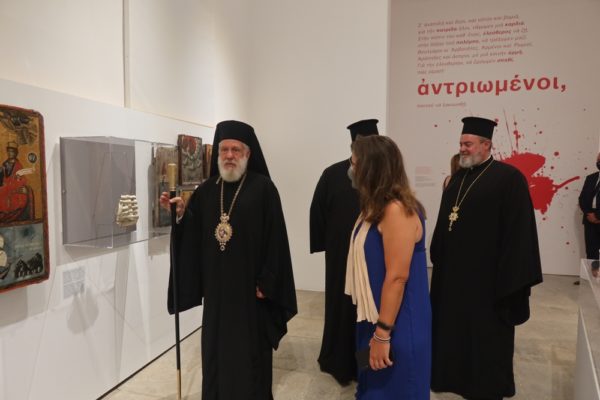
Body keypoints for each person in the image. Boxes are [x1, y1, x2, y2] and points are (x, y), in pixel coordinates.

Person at [161, 120, 297, 400]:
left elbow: (276, 240)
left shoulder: (264, 189)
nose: (229, 155)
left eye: (236, 150)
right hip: (217, 296)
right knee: (215, 354)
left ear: (248, 153)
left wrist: (269, 281)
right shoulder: (206, 190)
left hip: (250, 296)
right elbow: (193, 236)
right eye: (224, 150)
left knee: (250, 359)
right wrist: (181, 215)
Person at [430, 116, 543, 400]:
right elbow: (446, 222)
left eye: (468, 144)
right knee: (453, 332)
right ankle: (450, 377)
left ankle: (485, 386)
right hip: (453, 278)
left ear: (486, 145)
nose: (462, 149)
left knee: (485, 338)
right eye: (461, 143)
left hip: (488, 283)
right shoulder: (456, 179)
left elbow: (519, 233)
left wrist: (510, 281)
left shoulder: (509, 179)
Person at [345, 135, 431, 399]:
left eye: (354, 163)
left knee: (394, 390)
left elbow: (397, 278)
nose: (351, 169)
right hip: (375, 316)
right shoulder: (374, 207)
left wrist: (382, 335)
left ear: (371, 168)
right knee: (371, 385)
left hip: (397, 322)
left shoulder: (397, 210)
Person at [309, 118, 379, 384]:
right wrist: (326, 245)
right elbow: (317, 211)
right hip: (341, 255)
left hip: (374, 257)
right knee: (341, 307)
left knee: (369, 311)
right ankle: (340, 362)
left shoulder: (384, 175)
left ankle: (367, 364)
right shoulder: (332, 174)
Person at [0, 141, 32, 223]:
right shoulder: (4, 164)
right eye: (9, 151)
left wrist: (19, 182)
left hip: (15, 188)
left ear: (15, 153)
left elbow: (23, 179)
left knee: (19, 198)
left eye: (12, 151)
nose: (10, 153)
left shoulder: (18, 165)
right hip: (6, 187)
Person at [578, 152, 600, 259]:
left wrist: (598, 216)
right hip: (589, 220)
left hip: (597, 217)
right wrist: (589, 214)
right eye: (598, 161)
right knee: (591, 252)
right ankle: (592, 270)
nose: (599, 163)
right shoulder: (591, 178)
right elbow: (582, 199)